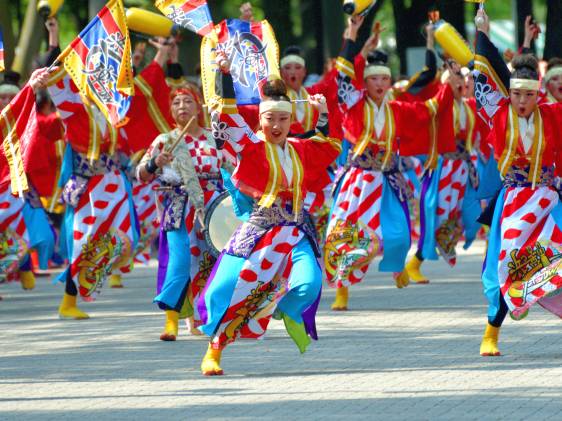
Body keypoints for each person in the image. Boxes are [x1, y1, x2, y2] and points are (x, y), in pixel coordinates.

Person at [196, 52, 339, 376]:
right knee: (228, 287)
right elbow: (229, 118)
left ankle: (285, 311)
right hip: (261, 229)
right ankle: (215, 348)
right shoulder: (252, 146)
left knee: (310, 284)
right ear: (260, 119)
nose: (276, 126)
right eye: (270, 118)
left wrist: (323, 112)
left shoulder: (301, 150)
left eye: (283, 119)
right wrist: (225, 74)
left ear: (291, 121)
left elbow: (328, 143)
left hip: (297, 231)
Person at [324, 16, 459, 310]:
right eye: (374, 78)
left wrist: (449, 83)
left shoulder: (397, 108)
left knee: (398, 234)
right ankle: (342, 291)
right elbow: (343, 77)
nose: (380, 83)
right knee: (346, 234)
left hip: (387, 179)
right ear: (366, 81)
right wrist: (351, 33)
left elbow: (429, 109)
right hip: (359, 178)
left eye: (384, 78)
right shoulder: (354, 104)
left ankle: (397, 265)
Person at [474, 9, 562, 356]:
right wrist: (482, 34)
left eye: (529, 95)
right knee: (504, 263)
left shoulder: (553, 115)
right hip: (512, 202)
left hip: (549, 201)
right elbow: (483, 77)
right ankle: (491, 332)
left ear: (537, 94)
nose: (522, 102)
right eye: (516, 95)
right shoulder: (497, 114)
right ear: (508, 94)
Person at [138, 83, 230, 341]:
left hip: (212, 209)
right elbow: (141, 175)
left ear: (198, 105)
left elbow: (234, 169)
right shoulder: (164, 141)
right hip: (179, 208)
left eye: (187, 101)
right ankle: (171, 321)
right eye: (176, 103)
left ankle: (207, 317)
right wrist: (155, 163)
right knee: (179, 262)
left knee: (210, 262)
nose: (182, 107)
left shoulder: (215, 138)